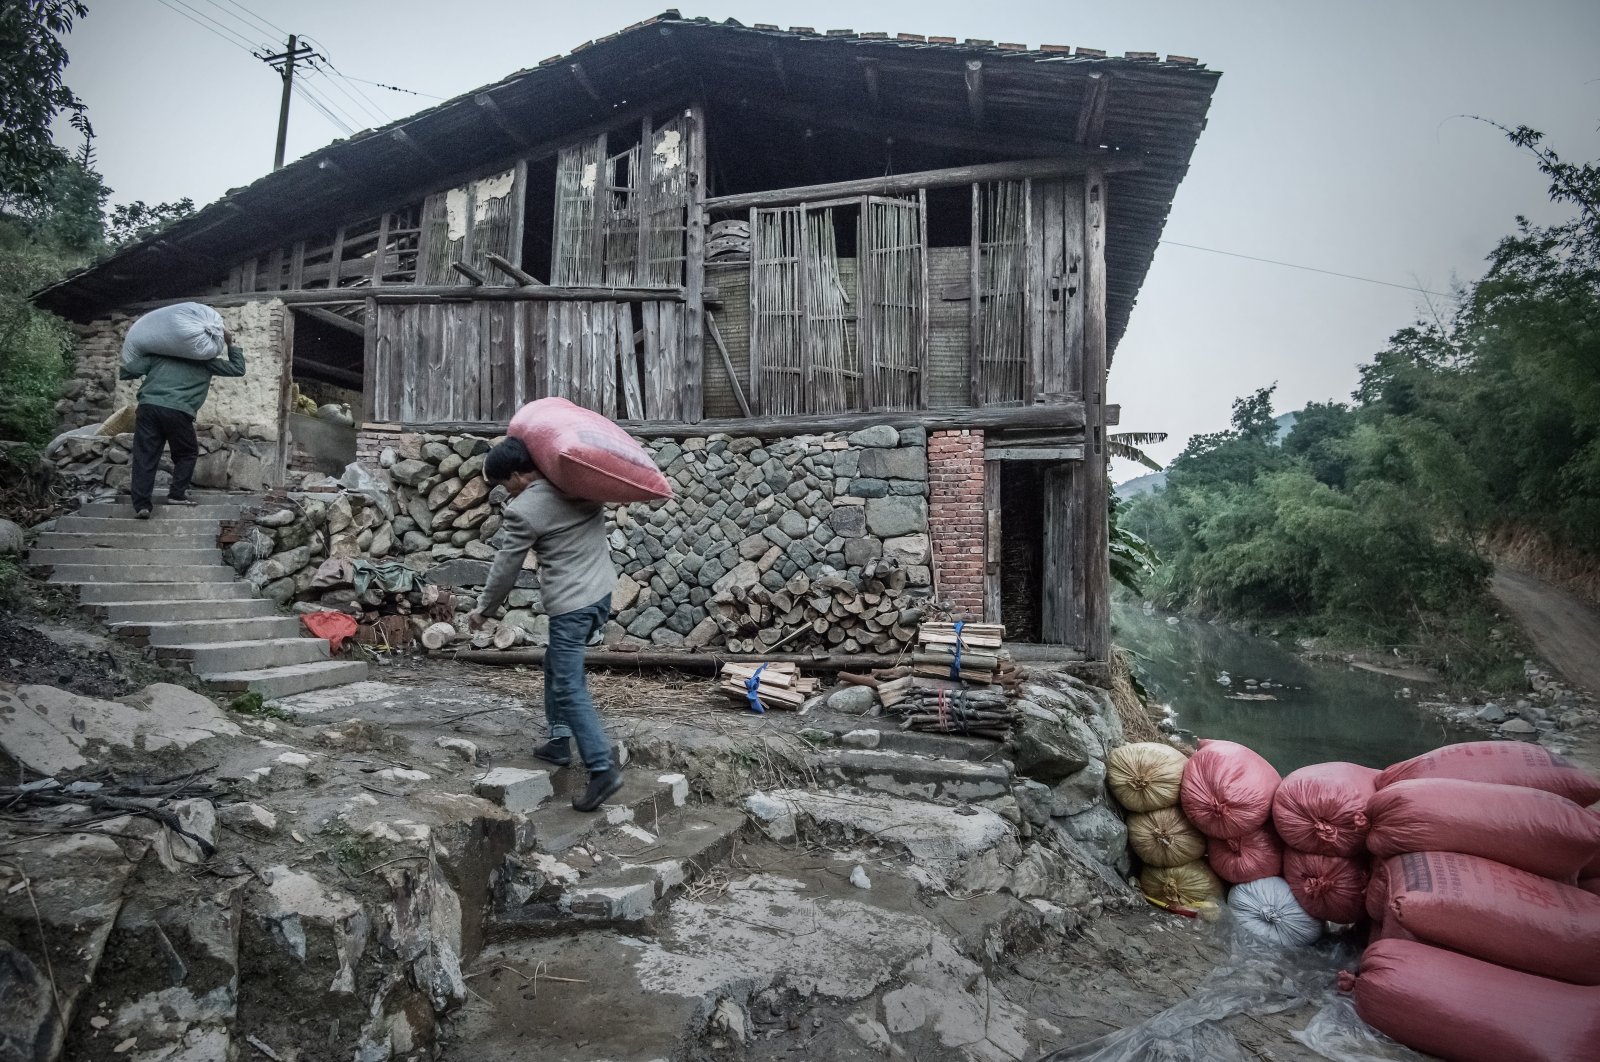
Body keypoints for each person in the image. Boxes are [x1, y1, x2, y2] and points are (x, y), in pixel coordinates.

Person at [467, 436, 622, 812]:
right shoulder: (580, 484)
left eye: (505, 484)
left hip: (572, 605)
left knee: (569, 683)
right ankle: (557, 741)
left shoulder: (526, 510)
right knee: (556, 663)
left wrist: (484, 609)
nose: (507, 492)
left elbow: (506, 567)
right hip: (601, 594)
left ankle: (601, 769)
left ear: (519, 474)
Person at [118, 324, 246, 519]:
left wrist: (144, 355)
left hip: (148, 408)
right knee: (187, 452)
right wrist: (231, 343)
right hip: (178, 411)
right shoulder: (206, 362)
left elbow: (126, 371)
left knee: (145, 456)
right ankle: (177, 494)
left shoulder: (160, 356)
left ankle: (142, 505)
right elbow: (238, 368)